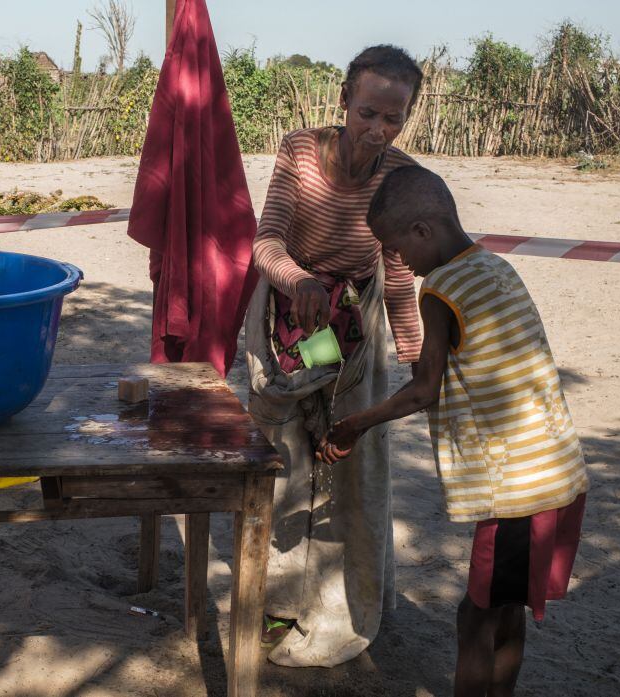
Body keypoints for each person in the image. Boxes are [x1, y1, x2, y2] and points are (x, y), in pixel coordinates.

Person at [317, 165, 589, 696]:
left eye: (397, 249)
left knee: (476, 616)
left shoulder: (440, 289)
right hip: (558, 470)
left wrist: (354, 425)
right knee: (505, 610)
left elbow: (424, 390)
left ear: (423, 231)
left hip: (518, 488)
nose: (399, 262)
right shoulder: (495, 265)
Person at [244, 45, 425, 667]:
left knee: (352, 460)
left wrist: (414, 354)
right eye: (368, 112)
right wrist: (298, 280)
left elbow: (397, 272)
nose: (377, 130)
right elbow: (266, 242)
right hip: (287, 317)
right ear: (344, 100)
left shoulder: (400, 176)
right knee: (283, 458)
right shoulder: (299, 151)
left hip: (357, 325)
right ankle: (277, 600)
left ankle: (345, 600)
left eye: (393, 119)